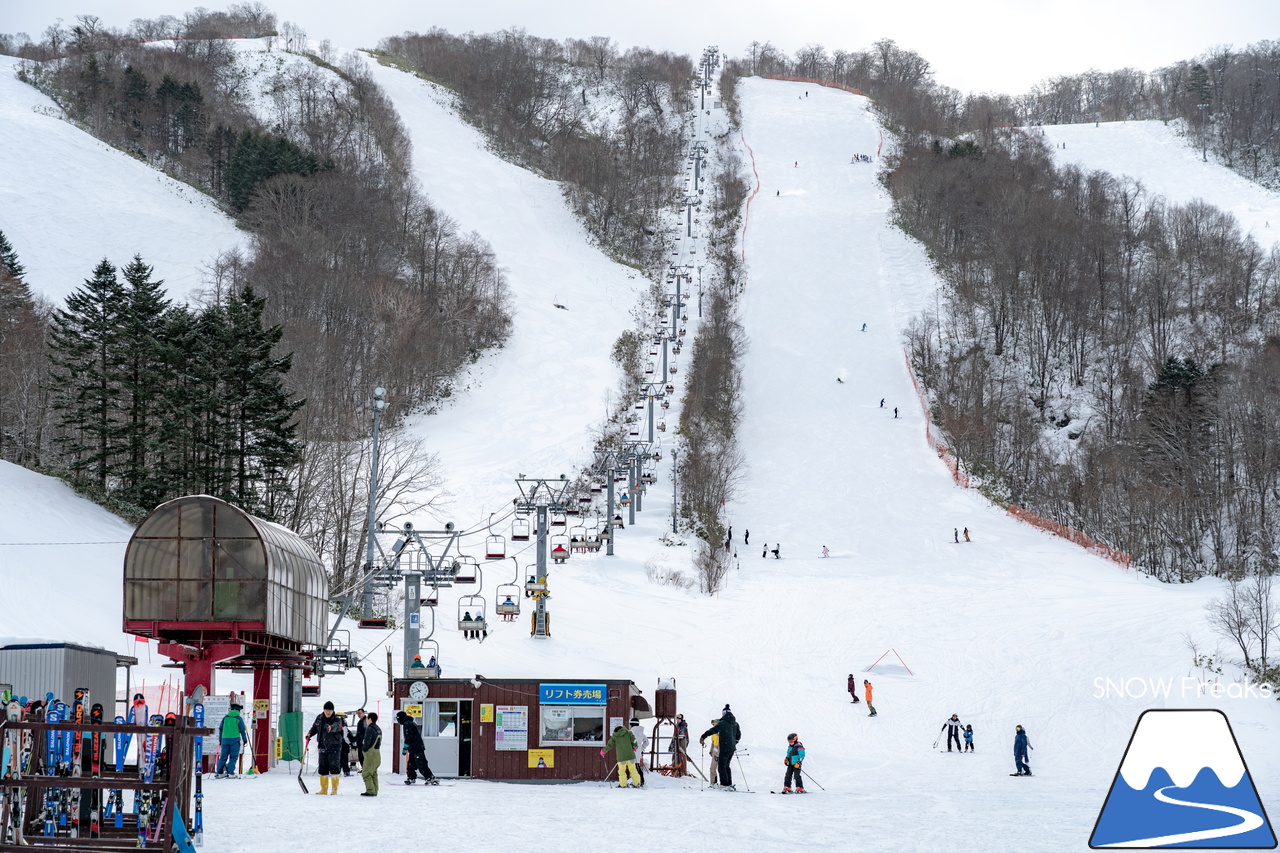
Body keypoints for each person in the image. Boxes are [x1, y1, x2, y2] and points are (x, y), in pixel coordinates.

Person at [307, 700, 345, 795]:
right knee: (323, 768)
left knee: (334, 768)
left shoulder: (337, 719)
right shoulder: (319, 718)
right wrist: (309, 734)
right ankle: (323, 789)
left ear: (333, 711)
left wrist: (331, 728)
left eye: (330, 710)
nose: (328, 712)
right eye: (326, 710)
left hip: (334, 747)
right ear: (323, 710)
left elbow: (337, 726)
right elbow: (315, 727)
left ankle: (334, 790)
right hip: (322, 747)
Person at [699, 705, 741, 790]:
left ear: (724, 713)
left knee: (721, 766)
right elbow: (738, 735)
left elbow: (713, 730)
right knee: (727, 766)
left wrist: (703, 736)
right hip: (732, 748)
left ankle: (724, 784)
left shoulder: (723, 723)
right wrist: (734, 743)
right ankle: (729, 784)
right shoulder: (735, 724)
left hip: (724, 747)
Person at [396, 710, 437, 785]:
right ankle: (411, 777)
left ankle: (430, 777)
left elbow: (408, 737)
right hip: (414, 747)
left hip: (416, 748)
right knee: (411, 764)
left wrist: (405, 748)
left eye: (397, 719)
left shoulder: (407, 724)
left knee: (421, 764)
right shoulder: (411, 723)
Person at [215, 702, 248, 778]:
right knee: (233, 757)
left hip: (224, 739)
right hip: (234, 740)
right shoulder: (238, 718)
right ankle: (230, 772)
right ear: (238, 710)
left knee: (223, 756)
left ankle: (219, 772)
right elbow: (242, 730)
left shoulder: (225, 717)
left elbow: (221, 729)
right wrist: (245, 740)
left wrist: (220, 739)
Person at [360, 712, 382, 795]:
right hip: (377, 753)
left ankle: (370, 790)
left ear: (369, 719)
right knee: (373, 773)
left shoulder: (370, 729)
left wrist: (364, 750)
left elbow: (367, 742)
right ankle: (375, 789)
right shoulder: (378, 729)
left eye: (367, 719)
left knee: (366, 773)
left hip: (370, 754)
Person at [629, 718, 649, 786]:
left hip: (631, 751)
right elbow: (647, 742)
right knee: (637, 766)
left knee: (633, 768)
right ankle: (641, 781)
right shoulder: (641, 732)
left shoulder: (631, 732)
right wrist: (641, 749)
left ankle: (637, 782)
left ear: (631, 724)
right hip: (637, 752)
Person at [707, 718, 721, 785]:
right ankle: (713, 782)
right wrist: (711, 751)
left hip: (720, 750)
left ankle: (724, 783)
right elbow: (713, 743)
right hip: (715, 750)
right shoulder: (713, 733)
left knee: (721, 768)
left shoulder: (721, 732)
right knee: (712, 768)